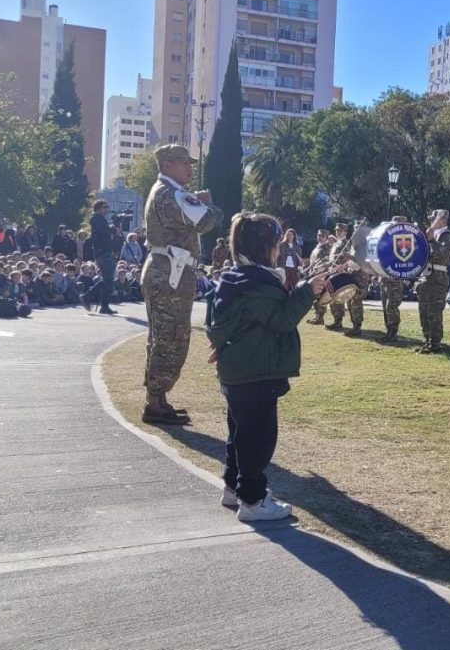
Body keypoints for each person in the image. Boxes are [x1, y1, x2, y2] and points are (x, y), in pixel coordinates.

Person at [206, 212, 331, 521]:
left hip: (237, 370)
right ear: (265, 248)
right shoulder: (259, 284)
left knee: (239, 435)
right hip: (256, 371)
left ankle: (233, 489)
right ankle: (253, 500)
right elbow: (281, 319)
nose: (279, 251)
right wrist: (307, 292)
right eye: (275, 245)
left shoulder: (235, 279)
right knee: (258, 439)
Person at [141, 144, 223, 425]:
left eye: (189, 162)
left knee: (163, 336)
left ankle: (158, 399)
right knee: (171, 337)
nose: (190, 167)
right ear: (166, 166)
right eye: (182, 162)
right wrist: (208, 203)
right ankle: (155, 402)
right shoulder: (171, 193)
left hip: (167, 269)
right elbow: (208, 220)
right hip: (169, 273)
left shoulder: (166, 192)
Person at [416, 209, 450, 354]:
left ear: (443, 220)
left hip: (438, 278)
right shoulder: (432, 235)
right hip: (426, 277)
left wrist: (432, 240)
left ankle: (435, 342)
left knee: (434, 312)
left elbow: (444, 254)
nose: (431, 221)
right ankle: (427, 340)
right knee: (424, 311)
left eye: (434, 219)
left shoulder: (447, 236)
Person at [327, 220, 369, 336]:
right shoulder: (354, 243)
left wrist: (350, 257)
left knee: (356, 300)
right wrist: (346, 262)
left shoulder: (367, 243)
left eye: (359, 228)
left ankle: (357, 326)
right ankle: (354, 325)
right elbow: (351, 260)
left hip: (361, 275)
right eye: (355, 228)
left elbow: (365, 261)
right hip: (353, 273)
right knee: (351, 300)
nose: (357, 230)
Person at [83, 199, 118, 315]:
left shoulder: (100, 219)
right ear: (98, 208)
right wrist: (113, 229)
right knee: (108, 280)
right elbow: (103, 231)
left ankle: (104, 306)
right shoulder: (96, 219)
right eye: (104, 207)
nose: (107, 209)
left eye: (107, 207)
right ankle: (87, 297)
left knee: (107, 280)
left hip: (104, 251)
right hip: (102, 252)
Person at [305, 229, 334, 325]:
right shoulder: (318, 247)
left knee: (320, 296)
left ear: (326, 237)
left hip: (321, 275)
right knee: (315, 297)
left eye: (322, 236)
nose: (319, 237)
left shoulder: (326, 248)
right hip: (314, 274)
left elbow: (326, 263)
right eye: (318, 235)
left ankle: (320, 317)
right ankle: (317, 316)